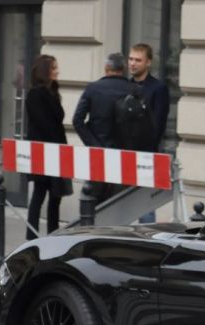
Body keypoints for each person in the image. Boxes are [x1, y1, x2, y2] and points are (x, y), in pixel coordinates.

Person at [71, 52, 134, 203]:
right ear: (123, 69)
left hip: (98, 155)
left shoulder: (93, 89)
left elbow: (77, 120)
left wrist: (92, 144)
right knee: (118, 206)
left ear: (106, 68)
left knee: (91, 202)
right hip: (123, 157)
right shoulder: (133, 90)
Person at [24, 54, 69, 240]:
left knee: (55, 196)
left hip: (56, 151)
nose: (57, 71)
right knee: (40, 193)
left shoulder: (53, 91)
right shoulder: (36, 94)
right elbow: (44, 124)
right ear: (45, 71)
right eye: (53, 68)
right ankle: (32, 236)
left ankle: (52, 235)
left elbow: (56, 121)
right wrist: (55, 153)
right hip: (44, 152)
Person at [128, 43, 171, 222]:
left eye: (138, 60)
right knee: (122, 207)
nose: (133, 63)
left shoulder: (158, 88)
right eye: (130, 59)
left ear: (148, 63)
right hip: (123, 154)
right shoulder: (124, 86)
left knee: (145, 208)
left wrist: (147, 153)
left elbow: (159, 124)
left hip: (146, 156)